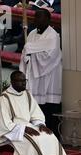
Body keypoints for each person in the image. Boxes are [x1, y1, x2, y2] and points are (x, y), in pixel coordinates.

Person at [0, 71, 70, 155]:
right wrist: (23, 129)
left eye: (25, 81)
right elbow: (3, 123)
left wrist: (40, 125)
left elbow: (35, 113)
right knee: (34, 140)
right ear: (12, 82)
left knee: (48, 136)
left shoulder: (27, 94)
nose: (24, 84)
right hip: (12, 131)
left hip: (28, 126)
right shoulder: (3, 99)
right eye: (21, 81)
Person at [19, 8, 62, 139]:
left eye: (40, 18)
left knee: (48, 109)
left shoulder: (53, 36)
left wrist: (31, 53)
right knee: (36, 107)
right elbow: (25, 53)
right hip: (34, 77)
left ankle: (51, 138)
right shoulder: (31, 34)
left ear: (48, 20)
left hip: (49, 76)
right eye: (36, 18)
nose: (37, 21)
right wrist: (27, 56)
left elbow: (49, 57)